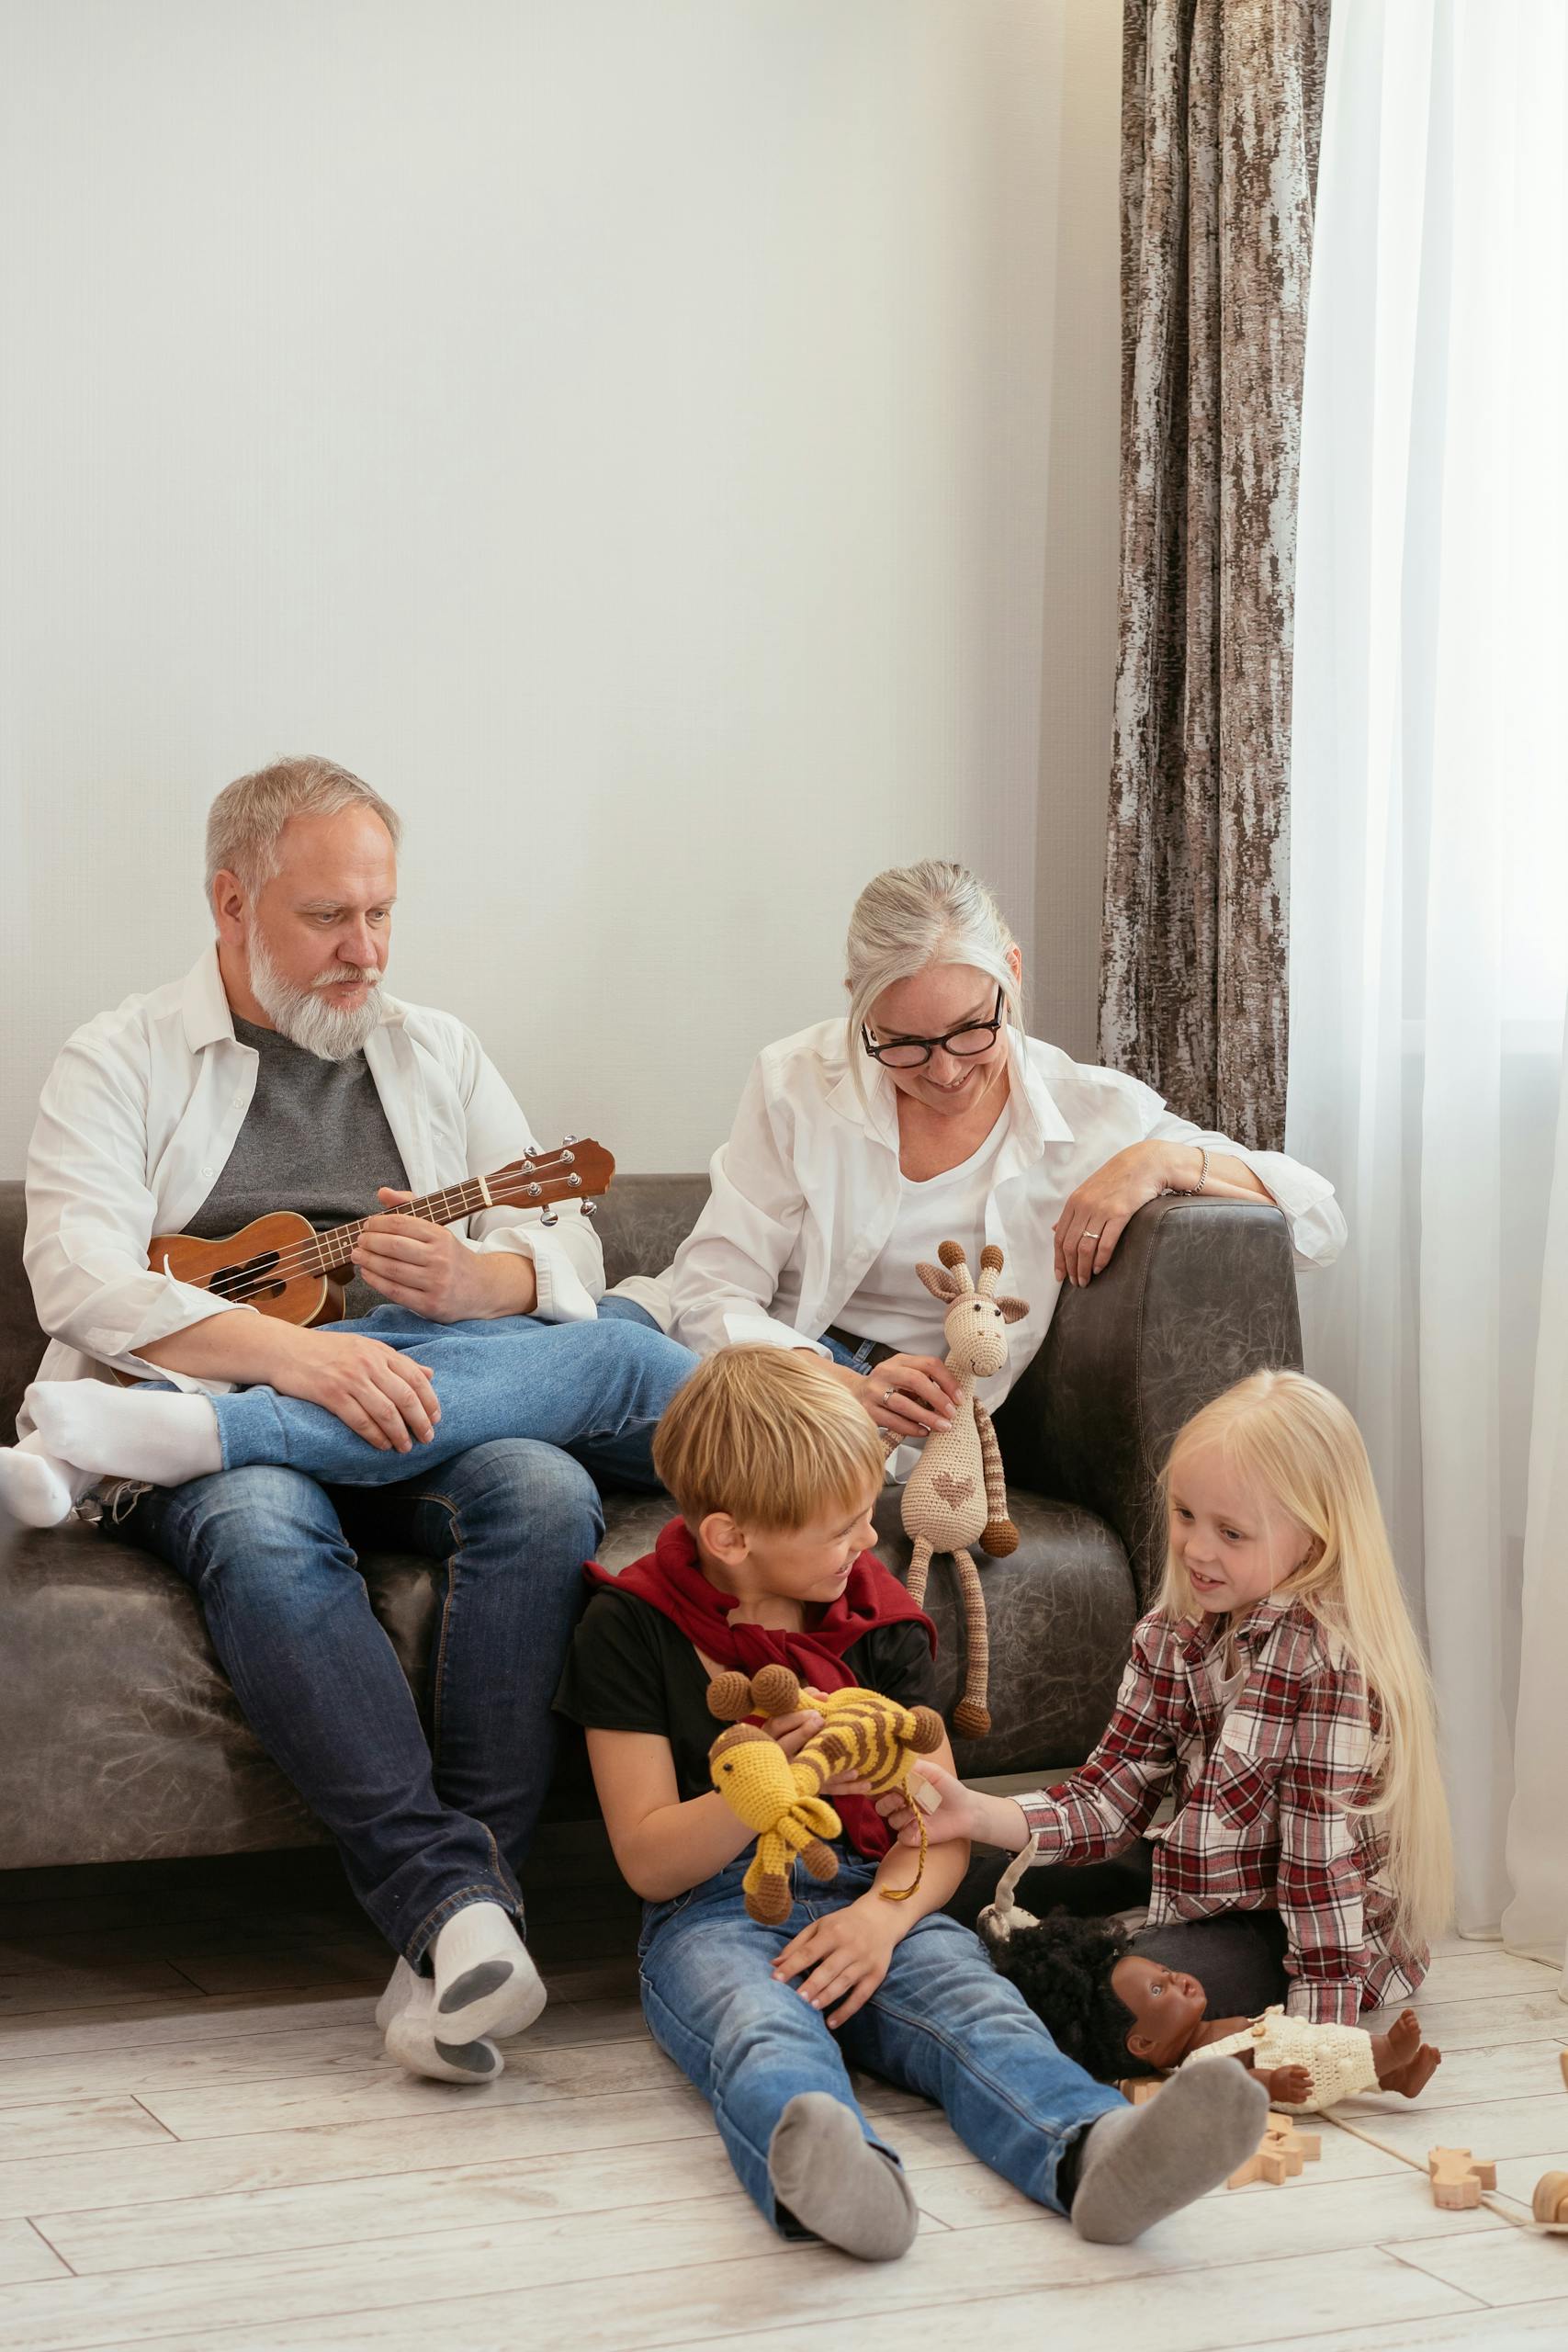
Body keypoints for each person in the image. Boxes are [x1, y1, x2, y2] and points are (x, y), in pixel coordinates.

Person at [7, 755, 694, 2083]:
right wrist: (290, 1360)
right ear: (230, 902)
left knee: (545, 1483)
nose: (363, 950)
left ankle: (453, 1940)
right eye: (329, 917)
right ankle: (456, 1908)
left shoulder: (437, 1053)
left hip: (427, 1389)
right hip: (208, 1382)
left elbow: (561, 1250)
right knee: (266, 1519)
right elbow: (76, 1276)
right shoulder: (120, 1056)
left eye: (381, 914)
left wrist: (480, 1277)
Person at [553, 1346, 1272, 2262]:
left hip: (881, 1891)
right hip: (712, 1915)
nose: (867, 1541)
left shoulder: (877, 1614)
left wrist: (880, 1922)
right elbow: (649, 1858)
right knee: (760, 2030)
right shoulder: (628, 1627)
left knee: (979, 2007)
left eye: (869, 1515)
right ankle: (840, 2181)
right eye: (841, 1526)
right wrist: (762, 1787)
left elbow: (940, 1824)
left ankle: (1094, 2152)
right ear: (732, 1537)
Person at [627, 859, 1346, 1461]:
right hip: (765, 1374)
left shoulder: (1092, 1114)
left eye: (970, 1030)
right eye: (903, 1043)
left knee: (575, 1409)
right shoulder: (797, 1081)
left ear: (1011, 974)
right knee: (552, 1446)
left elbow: (1318, 1225)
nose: (942, 1072)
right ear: (858, 1007)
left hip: (871, 1439)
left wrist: (1160, 1161)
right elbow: (709, 1292)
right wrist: (836, 1384)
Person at [878, 1371, 1455, 2024]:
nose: (1196, 1550)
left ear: (1312, 1541)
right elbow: (1107, 1798)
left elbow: (1315, 1867)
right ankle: (909, 1971)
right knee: (959, 1890)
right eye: (1184, 1515)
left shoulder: (1328, 1664)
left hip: (1301, 1927)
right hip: (1194, 1873)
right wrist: (972, 1814)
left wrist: (1321, 2035)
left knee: (1114, 2002)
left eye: (1231, 1533)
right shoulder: (1169, 1634)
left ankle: (941, 2003)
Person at [980, 1906, 1442, 2110]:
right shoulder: (1197, 2064)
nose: (1176, 1977)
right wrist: (1274, 2085)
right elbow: (1234, 2081)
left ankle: (1396, 2077)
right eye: (1160, 1992)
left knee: (1333, 2047)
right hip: (1292, 2072)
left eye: (1163, 1970)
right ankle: (1386, 2054)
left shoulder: (1206, 2029)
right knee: (1332, 2050)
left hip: (1288, 2039)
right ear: (1142, 2042)